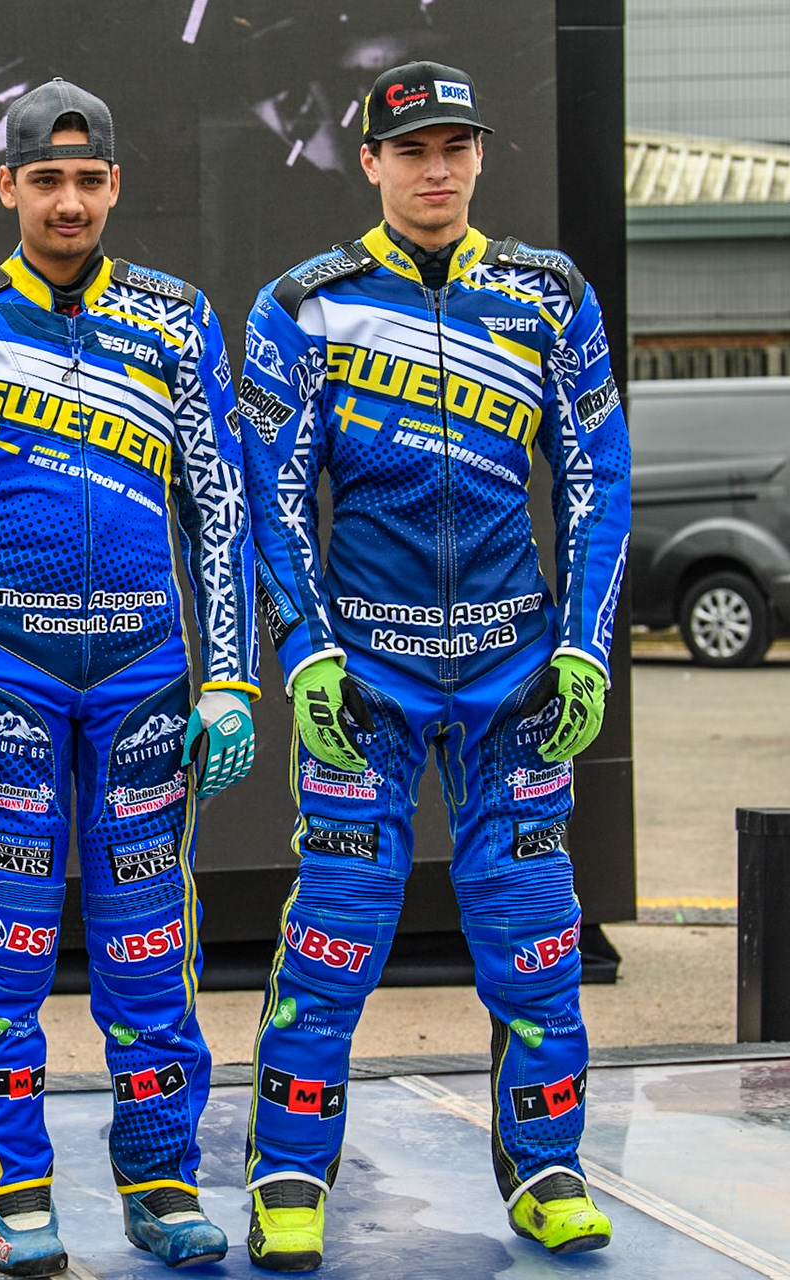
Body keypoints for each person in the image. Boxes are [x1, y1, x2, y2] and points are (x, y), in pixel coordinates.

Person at [236, 61, 632, 1270]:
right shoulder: (304, 305)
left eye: (457, 144)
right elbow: (269, 495)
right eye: (412, 149)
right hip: (368, 675)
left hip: (515, 673)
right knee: (337, 931)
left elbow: (601, 480)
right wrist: (303, 649)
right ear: (369, 161)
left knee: (535, 930)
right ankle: (291, 1171)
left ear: (478, 155)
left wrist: (583, 646)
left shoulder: (548, 295)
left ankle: (550, 1163)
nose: (439, 167)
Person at [0, 79, 259, 1275]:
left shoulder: (178, 318)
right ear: (6, 187)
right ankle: (16, 1186)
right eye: (46, 178)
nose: (70, 198)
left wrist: (231, 678)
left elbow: (222, 507)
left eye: (90, 179)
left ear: (115, 186)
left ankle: (159, 1181)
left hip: (149, 678)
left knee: (153, 951)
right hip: (8, 686)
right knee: (11, 954)